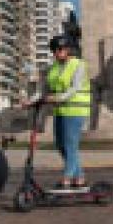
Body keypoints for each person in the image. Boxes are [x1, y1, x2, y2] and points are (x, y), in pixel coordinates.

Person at [24, 35, 91, 190]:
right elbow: (43, 90)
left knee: (70, 145)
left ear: (67, 49)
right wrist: (30, 101)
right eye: (54, 50)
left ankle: (67, 178)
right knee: (60, 144)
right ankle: (79, 177)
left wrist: (57, 98)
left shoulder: (78, 65)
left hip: (76, 109)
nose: (57, 53)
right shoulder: (53, 68)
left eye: (60, 49)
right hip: (60, 110)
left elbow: (74, 88)